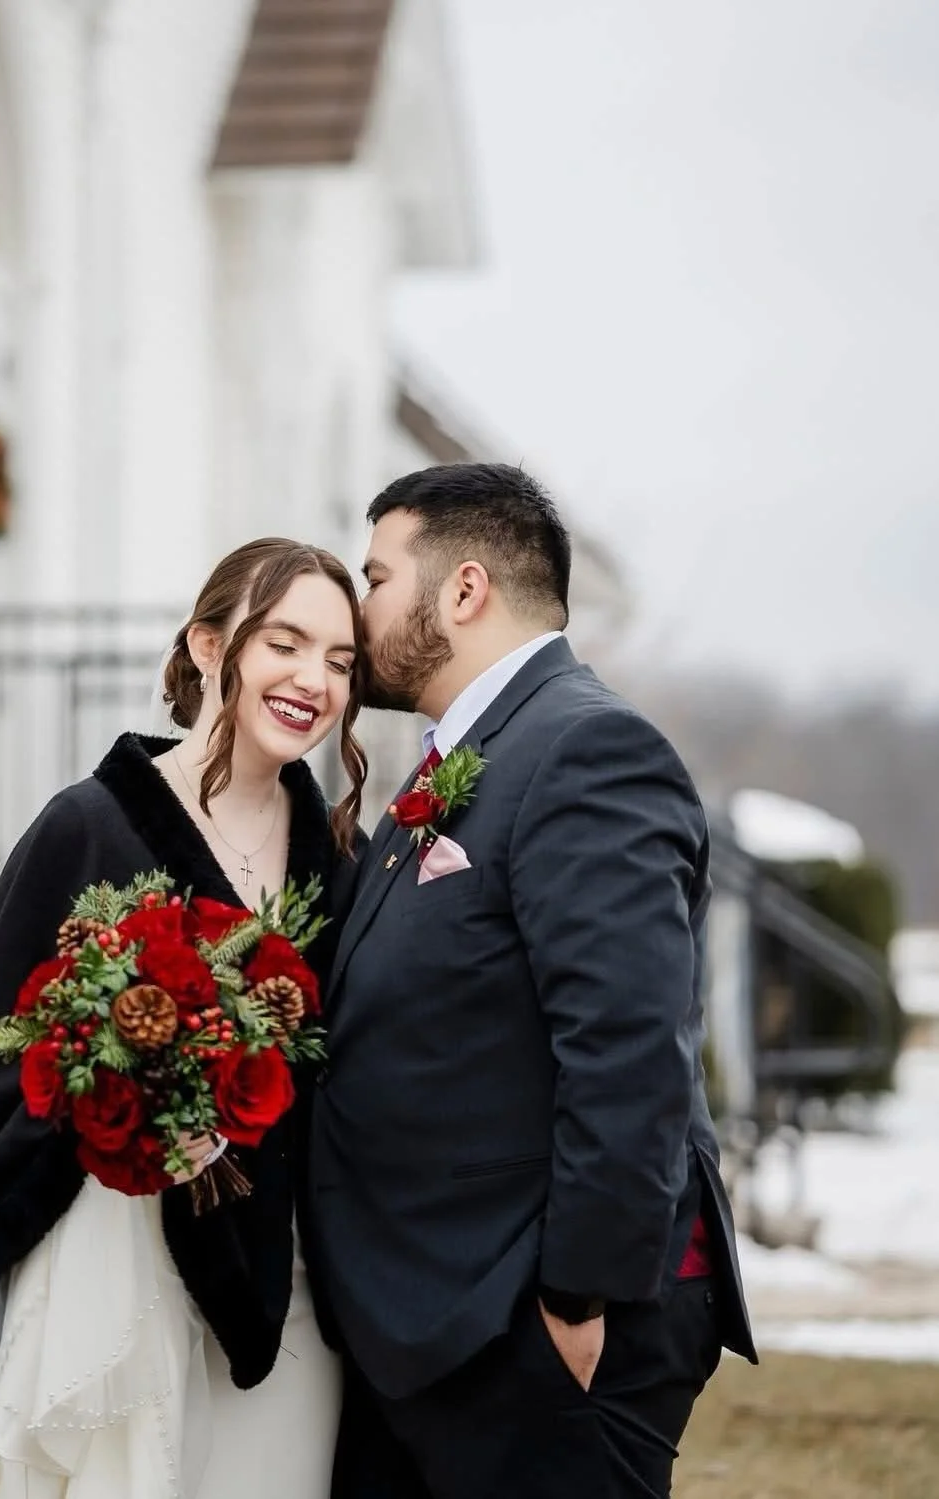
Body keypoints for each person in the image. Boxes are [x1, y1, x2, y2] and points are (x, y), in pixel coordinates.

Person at [0, 537, 367, 1499]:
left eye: (341, 661)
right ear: (211, 645)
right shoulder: (87, 826)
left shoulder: (339, 863)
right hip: (111, 1262)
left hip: (282, 1264)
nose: (314, 680)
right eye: (286, 643)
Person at [309, 463, 758, 1499]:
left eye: (376, 575)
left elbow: (625, 1043)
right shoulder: (463, 758)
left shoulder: (583, 749)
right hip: (439, 1310)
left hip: (537, 1318)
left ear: (461, 589)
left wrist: (575, 1292)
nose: (356, 601)